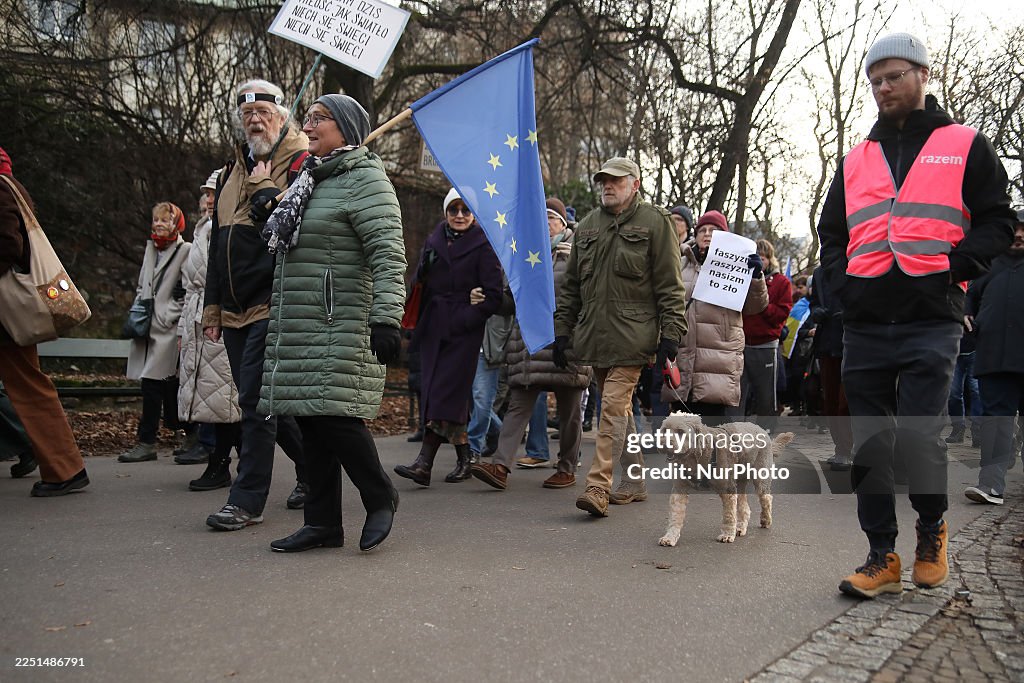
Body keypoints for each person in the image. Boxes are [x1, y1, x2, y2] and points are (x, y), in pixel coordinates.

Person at [818, 33, 1015, 598]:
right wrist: (841, 287)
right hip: (865, 318)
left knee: (922, 437)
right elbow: (832, 233)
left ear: (923, 75)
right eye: (875, 81)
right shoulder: (856, 159)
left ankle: (931, 530)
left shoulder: (965, 144)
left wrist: (954, 265)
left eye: (894, 76)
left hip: (933, 316)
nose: (883, 88)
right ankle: (882, 555)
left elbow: (998, 223)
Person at [259, 94, 406, 552]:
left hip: (342, 319)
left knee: (338, 417)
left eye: (321, 118)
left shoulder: (366, 181)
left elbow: (388, 254)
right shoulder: (311, 178)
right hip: (302, 319)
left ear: (346, 128)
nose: (310, 123)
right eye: (310, 117)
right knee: (311, 420)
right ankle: (322, 523)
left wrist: (386, 318)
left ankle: (380, 494)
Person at [202, 79, 310, 530]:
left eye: (264, 112)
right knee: (270, 404)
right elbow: (217, 246)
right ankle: (315, 469)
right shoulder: (228, 173)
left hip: (273, 300)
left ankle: (246, 500)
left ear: (282, 117)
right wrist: (211, 308)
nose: (255, 119)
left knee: (255, 400)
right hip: (232, 307)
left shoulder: (302, 165)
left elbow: (288, 233)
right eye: (247, 114)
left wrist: (266, 190)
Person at [553, 157, 687, 516]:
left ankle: (598, 485)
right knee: (620, 412)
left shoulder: (654, 222)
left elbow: (671, 286)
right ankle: (634, 481)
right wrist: (562, 333)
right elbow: (571, 289)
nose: (607, 186)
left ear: (635, 184)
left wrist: (671, 336)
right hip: (595, 337)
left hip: (634, 335)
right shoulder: (587, 226)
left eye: (615, 180)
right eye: (603, 181)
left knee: (610, 409)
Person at [471, 197, 592, 490]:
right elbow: (512, 301)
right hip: (529, 345)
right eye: (543, 217)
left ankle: (566, 467)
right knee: (518, 406)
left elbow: (586, 300)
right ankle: (500, 465)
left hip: (567, 344)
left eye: (552, 218)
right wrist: (491, 300)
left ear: (564, 224)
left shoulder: (579, 254)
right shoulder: (525, 255)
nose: (546, 223)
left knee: (570, 412)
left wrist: (573, 338)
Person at [393, 189, 502, 487]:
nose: (459, 215)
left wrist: (467, 315)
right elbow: (419, 285)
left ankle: (423, 463)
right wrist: (422, 273)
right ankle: (466, 457)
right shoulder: (433, 241)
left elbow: (494, 297)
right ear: (445, 212)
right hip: (433, 328)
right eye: (453, 209)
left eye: (466, 210)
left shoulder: (484, 246)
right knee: (439, 395)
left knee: (443, 394)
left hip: (464, 333)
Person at [0, 147, 89, 496]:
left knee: (30, 387)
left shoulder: (1, 190)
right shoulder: (11, 187)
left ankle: (65, 469)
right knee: (31, 386)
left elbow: (9, 245)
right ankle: (62, 466)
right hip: (11, 314)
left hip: (7, 314)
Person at [661, 210, 767, 419]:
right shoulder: (679, 262)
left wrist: (756, 278)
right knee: (683, 431)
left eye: (714, 230)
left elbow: (756, 306)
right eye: (703, 230)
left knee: (713, 431)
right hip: (683, 353)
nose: (707, 234)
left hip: (719, 357)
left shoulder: (738, 265)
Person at [176, 171, 242, 489]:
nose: (208, 198)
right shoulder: (202, 229)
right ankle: (246, 465)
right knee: (222, 401)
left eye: (215, 192)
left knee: (227, 402)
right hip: (199, 318)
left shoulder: (232, 227)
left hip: (224, 317)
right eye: (206, 192)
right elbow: (190, 286)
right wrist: (181, 330)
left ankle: (220, 465)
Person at [118, 202, 192, 463]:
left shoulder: (186, 251)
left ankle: (148, 441)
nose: (159, 224)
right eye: (156, 220)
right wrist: (139, 308)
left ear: (176, 224)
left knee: (157, 384)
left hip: (167, 329)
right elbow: (143, 284)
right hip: (148, 326)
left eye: (165, 220)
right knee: (161, 384)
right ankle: (184, 434)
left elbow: (187, 290)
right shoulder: (151, 249)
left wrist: (169, 316)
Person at [963, 210, 1024, 505]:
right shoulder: (987, 266)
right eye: (1015, 230)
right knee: (996, 420)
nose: (1019, 235)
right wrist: (965, 314)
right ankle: (990, 485)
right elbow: (969, 298)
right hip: (994, 357)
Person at [727, 238, 791, 432]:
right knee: (737, 395)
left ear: (770, 259)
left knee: (766, 397)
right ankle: (735, 433)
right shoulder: (742, 279)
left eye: (763, 257)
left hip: (766, 346)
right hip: (742, 344)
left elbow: (781, 314)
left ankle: (767, 434)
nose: (760, 261)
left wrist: (761, 305)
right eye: (757, 257)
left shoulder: (781, 282)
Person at [807, 265, 853, 471]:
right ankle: (841, 448)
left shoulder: (858, 262)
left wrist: (852, 312)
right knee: (831, 401)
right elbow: (814, 302)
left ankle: (850, 449)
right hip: (827, 343)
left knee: (847, 401)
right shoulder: (819, 273)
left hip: (853, 342)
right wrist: (816, 311)